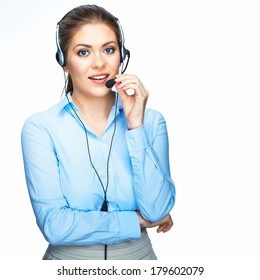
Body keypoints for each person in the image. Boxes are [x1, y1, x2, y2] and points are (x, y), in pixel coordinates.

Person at [21, 4, 176, 260]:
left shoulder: (151, 121)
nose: (100, 63)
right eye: (83, 52)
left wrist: (135, 126)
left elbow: (157, 209)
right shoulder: (41, 128)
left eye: (109, 49)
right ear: (64, 62)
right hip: (68, 264)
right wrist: (134, 221)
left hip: (138, 262)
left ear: (122, 55)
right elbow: (55, 226)